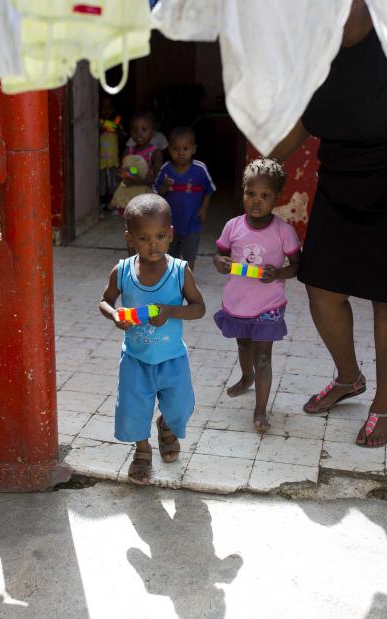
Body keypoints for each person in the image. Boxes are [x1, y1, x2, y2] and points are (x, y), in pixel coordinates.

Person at [270, 0, 387, 447]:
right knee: (322, 287)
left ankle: (384, 405)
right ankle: (349, 377)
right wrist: (263, 161)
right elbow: (302, 121)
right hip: (345, 173)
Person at [99, 193, 206, 485]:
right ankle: (142, 450)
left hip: (172, 358)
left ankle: (167, 426)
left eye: (160, 236)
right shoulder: (121, 271)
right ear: (130, 238)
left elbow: (199, 309)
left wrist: (171, 311)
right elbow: (105, 301)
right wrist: (115, 315)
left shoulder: (180, 271)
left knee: (180, 406)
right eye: (144, 238)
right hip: (135, 359)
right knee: (133, 410)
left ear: (171, 234)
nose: (153, 244)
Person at [213, 159, 301, 432]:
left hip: (268, 305)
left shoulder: (283, 231)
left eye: (265, 196)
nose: (256, 201)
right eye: (250, 194)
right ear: (243, 192)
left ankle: (261, 410)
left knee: (263, 356)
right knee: (243, 345)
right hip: (239, 302)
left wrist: (278, 274)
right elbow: (220, 256)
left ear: (277, 197)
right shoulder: (233, 226)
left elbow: (297, 266)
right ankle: (246, 376)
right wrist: (220, 263)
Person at [153, 126, 216, 270]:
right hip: (169, 222)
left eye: (185, 148)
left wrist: (204, 208)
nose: (181, 153)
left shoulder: (200, 169)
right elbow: (156, 193)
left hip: (192, 221)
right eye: (175, 149)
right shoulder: (166, 169)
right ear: (169, 150)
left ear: (193, 149)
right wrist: (164, 186)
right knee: (170, 252)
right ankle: (172, 278)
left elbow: (209, 190)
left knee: (189, 253)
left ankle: (188, 279)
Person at [110, 111, 164, 213]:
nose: (139, 133)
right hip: (128, 195)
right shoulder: (127, 151)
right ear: (130, 132)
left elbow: (158, 178)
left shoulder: (155, 153)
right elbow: (120, 173)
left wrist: (137, 181)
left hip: (146, 196)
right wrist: (123, 175)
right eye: (135, 130)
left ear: (152, 133)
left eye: (144, 130)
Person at [99, 95, 123, 214]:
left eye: (109, 107)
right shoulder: (98, 123)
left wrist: (114, 127)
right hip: (101, 160)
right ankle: (101, 204)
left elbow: (121, 135)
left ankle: (111, 203)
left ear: (113, 109)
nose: (106, 110)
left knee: (113, 182)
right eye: (103, 107)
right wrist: (105, 127)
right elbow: (99, 130)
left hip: (113, 159)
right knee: (102, 182)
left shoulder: (117, 122)